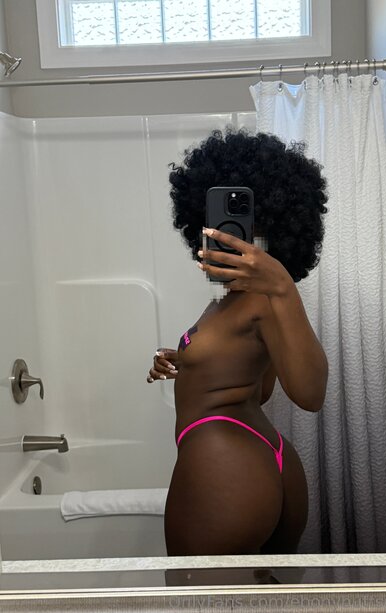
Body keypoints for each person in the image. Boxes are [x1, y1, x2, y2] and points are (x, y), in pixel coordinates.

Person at [147, 128, 328, 556]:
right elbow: (258, 389)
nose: (224, 237)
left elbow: (310, 394)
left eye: (240, 229)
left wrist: (282, 285)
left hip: (223, 465)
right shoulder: (235, 301)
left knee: (194, 591)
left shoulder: (267, 298)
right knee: (267, 588)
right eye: (216, 228)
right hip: (262, 456)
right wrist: (187, 362)